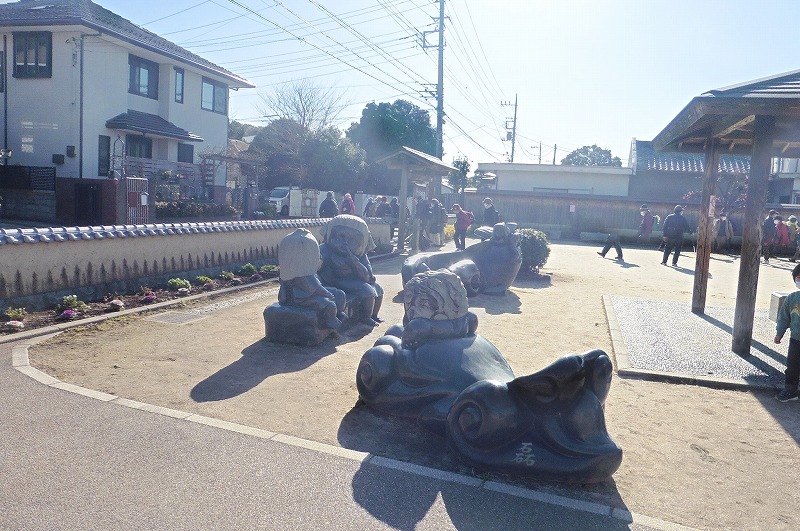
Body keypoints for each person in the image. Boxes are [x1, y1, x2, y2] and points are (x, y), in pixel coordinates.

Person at [773, 262, 800, 402]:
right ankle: (791, 390)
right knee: (792, 367)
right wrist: (779, 333)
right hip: (796, 340)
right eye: (799, 277)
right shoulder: (792, 298)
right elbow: (784, 317)